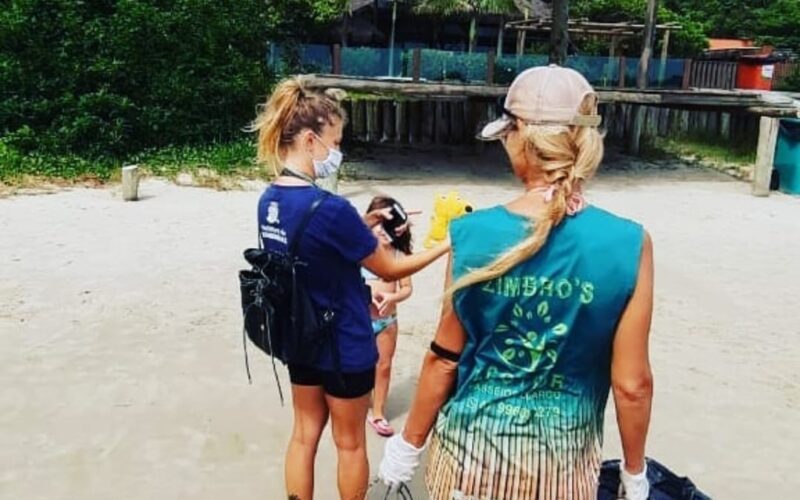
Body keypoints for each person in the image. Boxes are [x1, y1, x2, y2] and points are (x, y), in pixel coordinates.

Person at [378, 65, 655, 500]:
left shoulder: (472, 233)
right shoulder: (629, 243)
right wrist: (634, 475)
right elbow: (632, 384)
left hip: (469, 468)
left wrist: (408, 444)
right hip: (562, 474)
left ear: (517, 136)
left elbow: (444, 358)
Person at [250, 77, 449, 500]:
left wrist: (361, 231)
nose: (337, 152)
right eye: (334, 141)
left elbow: (309, 259)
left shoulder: (268, 200)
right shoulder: (332, 208)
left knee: (303, 435)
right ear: (310, 139)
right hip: (344, 342)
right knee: (350, 442)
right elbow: (393, 268)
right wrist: (448, 242)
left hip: (299, 337)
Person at [362, 196, 415, 437]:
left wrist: (394, 298)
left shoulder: (398, 255)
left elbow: (406, 288)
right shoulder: (362, 254)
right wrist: (365, 295)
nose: (384, 233)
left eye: (390, 229)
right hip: (360, 320)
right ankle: (357, 403)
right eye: (379, 226)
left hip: (386, 322)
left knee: (383, 367)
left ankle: (379, 412)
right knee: (356, 366)